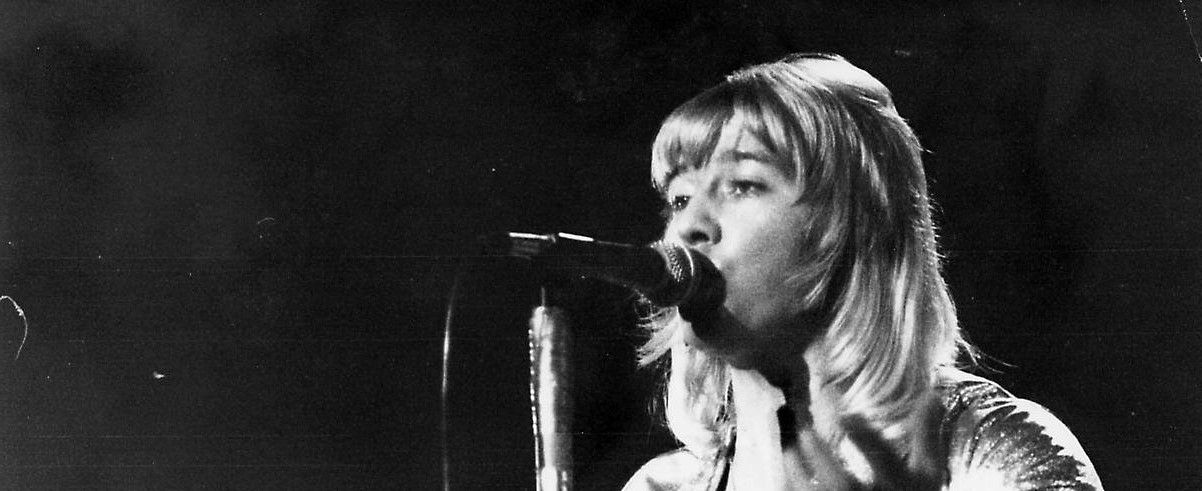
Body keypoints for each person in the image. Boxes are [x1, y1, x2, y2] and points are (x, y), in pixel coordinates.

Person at [623, 53, 1102, 490]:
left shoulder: (992, 451)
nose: (687, 226)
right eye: (679, 199)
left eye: (743, 185)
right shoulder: (661, 487)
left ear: (854, 221)